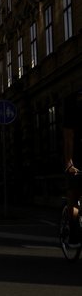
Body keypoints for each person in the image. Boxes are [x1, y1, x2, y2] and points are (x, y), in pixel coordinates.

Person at [63, 89, 82, 245]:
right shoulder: (73, 102)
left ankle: (74, 232)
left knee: (73, 196)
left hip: (76, 158)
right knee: (75, 195)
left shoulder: (72, 102)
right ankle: (75, 231)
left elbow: (69, 137)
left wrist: (69, 162)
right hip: (77, 157)